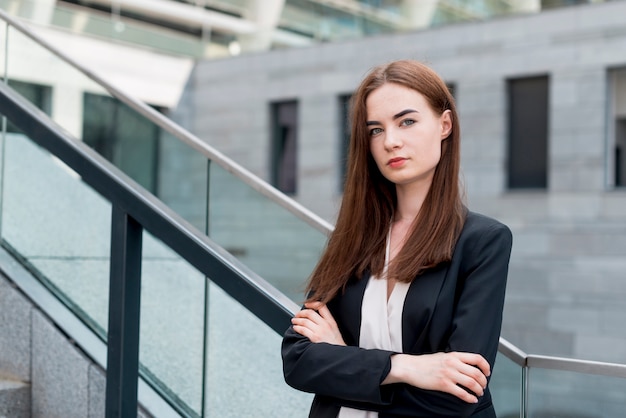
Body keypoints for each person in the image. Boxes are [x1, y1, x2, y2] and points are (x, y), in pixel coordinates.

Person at [281, 60, 513, 418]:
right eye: (376, 130)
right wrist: (407, 368)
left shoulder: (482, 242)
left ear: (444, 125)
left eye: (407, 121)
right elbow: (298, 360)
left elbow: (458, 394)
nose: (391, 141)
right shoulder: (355, 236)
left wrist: (343, 358)